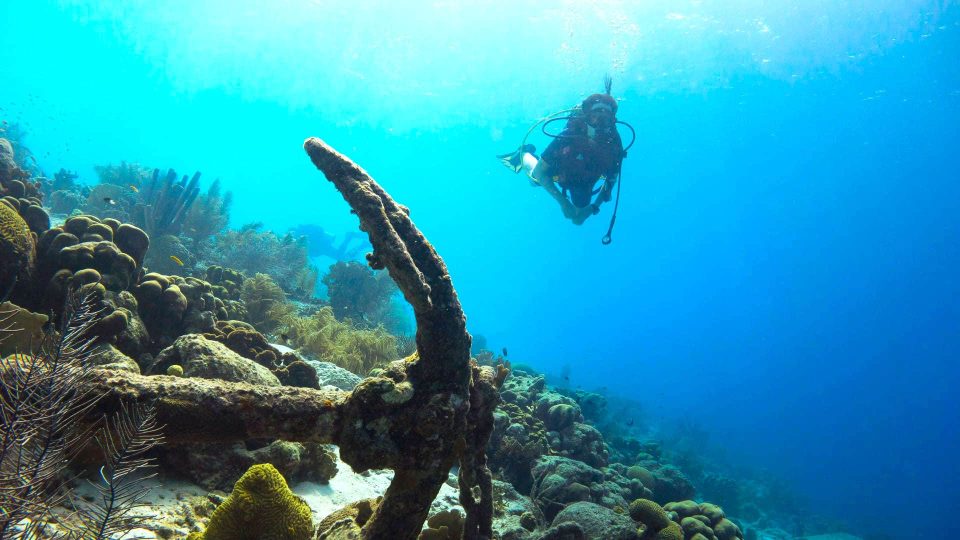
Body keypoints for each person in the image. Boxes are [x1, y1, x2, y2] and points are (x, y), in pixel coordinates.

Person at [499, 79, 625, 225]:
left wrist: (593, 208)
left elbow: (612, 179)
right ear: (586, 118)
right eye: (594, 118)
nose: (599, 125)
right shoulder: (569, 136)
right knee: (535, 179)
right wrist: (563, 203)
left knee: (578, 219)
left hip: (586, 178)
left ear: (612, 121)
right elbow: (540, 172)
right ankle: (524, 155)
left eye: (605, 120)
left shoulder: (613, 145)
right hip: (560, 170)